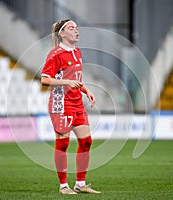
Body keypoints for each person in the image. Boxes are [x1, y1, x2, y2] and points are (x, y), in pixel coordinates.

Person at [41, 19, 101, 195]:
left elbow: (76, 78)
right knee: (63, 144)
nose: (77, 31)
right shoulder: (55, 54)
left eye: (77, 28)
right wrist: (67, 82)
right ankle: (63, 187)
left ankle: (80, 184)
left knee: (86, 142)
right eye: (72, 28)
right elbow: (45, 80)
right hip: (61, 104)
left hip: (77, 103)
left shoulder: (77, 52)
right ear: (62, 34)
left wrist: (86, 90)